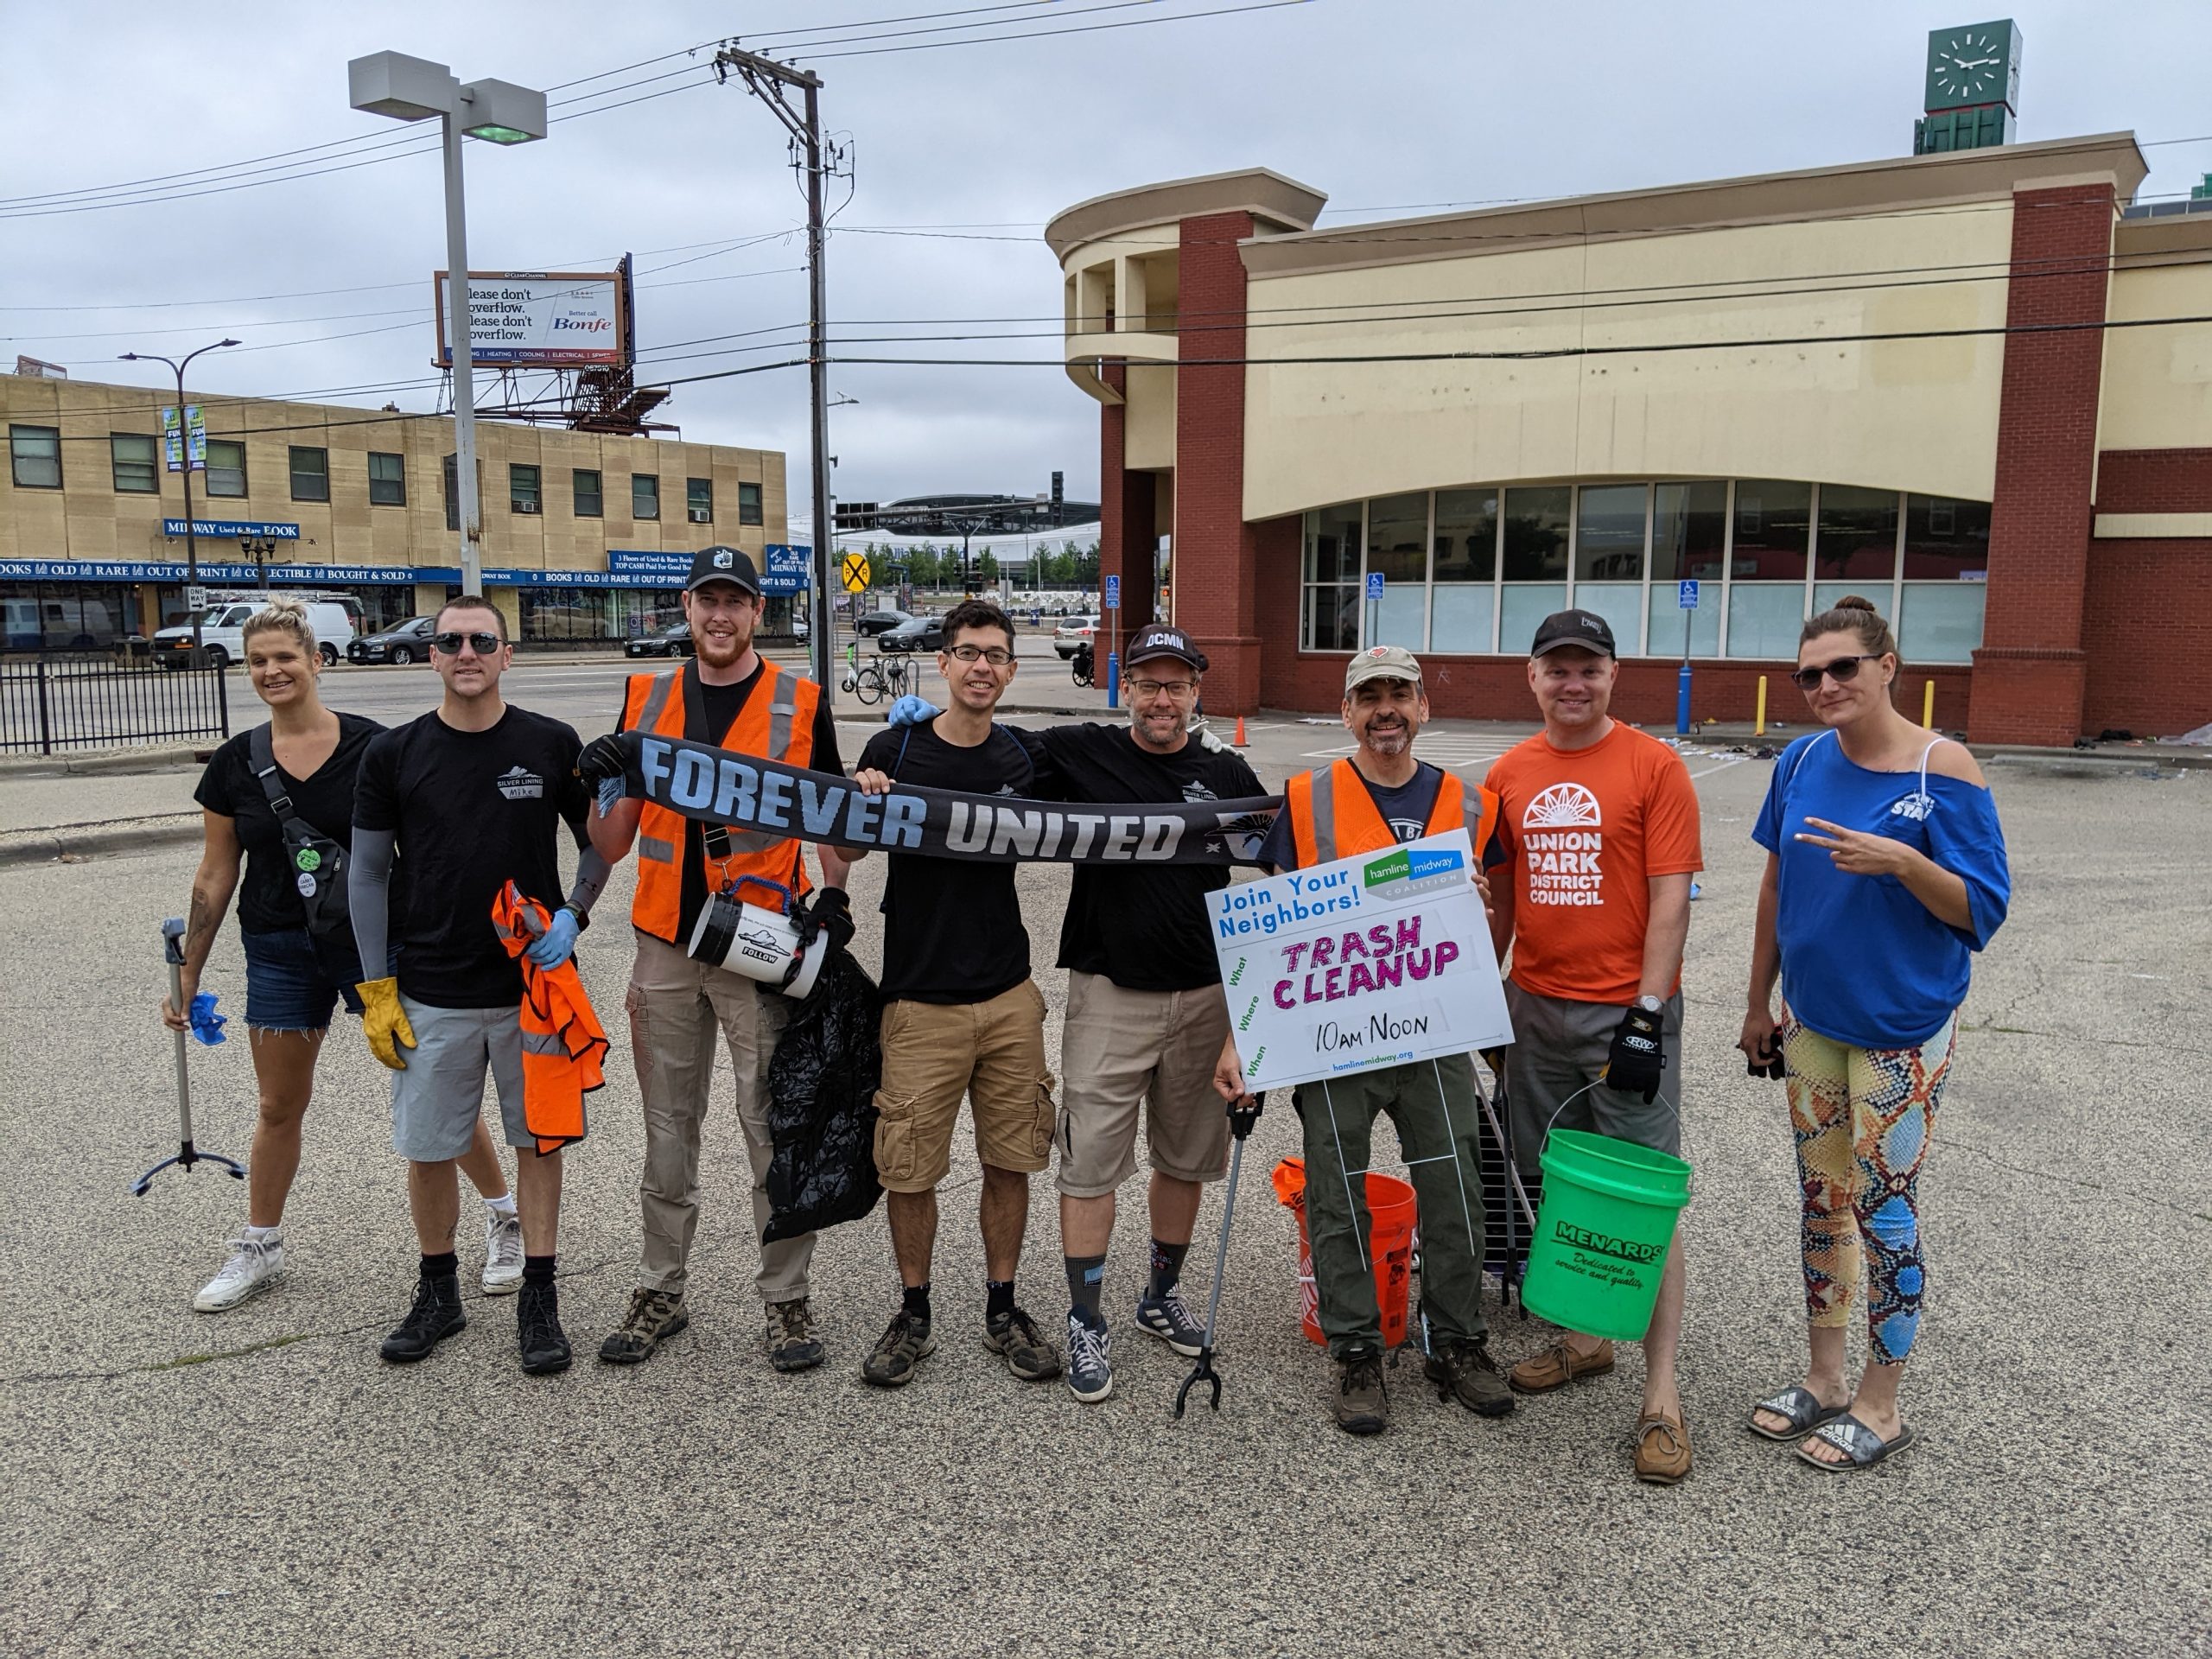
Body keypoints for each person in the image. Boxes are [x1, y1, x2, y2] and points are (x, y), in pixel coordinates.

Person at [164, 596, 516, 1312]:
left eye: (286, 658)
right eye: (259, 661)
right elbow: (214, 872)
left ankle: (503, 1213)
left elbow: (428, 851)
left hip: (375, 944)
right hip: (276, 948)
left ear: (317, 662)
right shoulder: (236, 763)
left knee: (435, 1090)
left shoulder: (375, 749)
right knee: (278, 1103)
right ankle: (260, 1242)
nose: (272, 671)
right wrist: (187, 975)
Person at [1214, 644, 1512, 1435]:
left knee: (1456, 1188)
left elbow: (1499, 909)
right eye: (1369, 694)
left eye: (1400, 693)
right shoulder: (1307, 798)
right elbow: (1270, 934)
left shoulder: (1471, 803)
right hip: (1336, 1040)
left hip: (1434, 1035)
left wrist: (1485, 976)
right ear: (1346, 712)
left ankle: (1457, 1342)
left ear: (1423, 708)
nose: (1386, 708)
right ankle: (1356, 1352)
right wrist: (1243, 1039)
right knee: (1336, 1188)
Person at [1741, 595, 2009, 1471]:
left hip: (1899, 1035)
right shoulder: (1801, 762)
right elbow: (1777, 890)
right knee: (1819, 1203)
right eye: (1808, 673)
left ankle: (1880, 1403)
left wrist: (1902, 861)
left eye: (1842, 667)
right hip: (1813, 1025)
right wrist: (1756, 1002)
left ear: (1888, 666)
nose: (1824, 685)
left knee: (1883, 1209)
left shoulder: (1944, 770)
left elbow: (1981, 911)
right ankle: (1823, 1377)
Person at [576, 546, 854, 1372]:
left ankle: (786, 1301)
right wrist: (596, 783)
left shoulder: (800, 702)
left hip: (758, 946)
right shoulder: (645, 695)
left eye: (736, 602)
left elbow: (836, 823)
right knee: (668, 1130)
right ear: (687, 609)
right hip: (665, 941)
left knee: (773, 1127)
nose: (721, 616)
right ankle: (662, 1289)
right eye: (708, 601)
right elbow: (613, 842)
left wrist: (835, 894)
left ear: (758, 613)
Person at [350, 598, 610, 1376]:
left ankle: (539, 1295)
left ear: (507, 655)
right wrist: (376, 986)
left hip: (533, 987)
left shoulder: (550, 743)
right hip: (431, 986)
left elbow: (597, 843)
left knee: (538, 1141)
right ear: (432, 656)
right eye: (451, 641)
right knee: (429, 1147)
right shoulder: (393, 754)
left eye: (481, 641)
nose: (467, 652)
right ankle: (439, 1291)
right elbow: (366, 872)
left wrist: (575, 912)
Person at [1485, 609, 1703, 1484]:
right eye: (1556, 670)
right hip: (1534, 1006)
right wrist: (1481, 998)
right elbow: (1498, 901)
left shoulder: (1654, 766)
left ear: (1613, 676)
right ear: (1532, 679)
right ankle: (1583, 1340)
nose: (1572, 684)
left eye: (1589, 669)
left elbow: (1670, 899)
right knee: (1556, 1177)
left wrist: (1647, 1013)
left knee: (1645, 1194)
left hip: (1626, 1013)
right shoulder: (1507, 774)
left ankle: (1661, 1394)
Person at [1028, 623, 1266, 1403]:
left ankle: (1159, 1296)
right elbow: (978, 768)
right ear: (1124, 687)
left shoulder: (1227, 773)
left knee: (1187, 1158)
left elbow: (1291, 869)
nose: (1162, 699)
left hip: (1205, 994)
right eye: (1148, 683)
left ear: (1198, 691)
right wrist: (892, 762)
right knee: (1090, 1160)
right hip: (1109, 990)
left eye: (1177, 684)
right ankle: (1086, 1316)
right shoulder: (1080, 753)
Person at [847, 598, 1063, 1389]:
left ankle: (1002, 1307)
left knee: (1012, 1162)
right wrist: (863, 793)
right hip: (920, 999)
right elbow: (840, 843)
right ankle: (915, 1312)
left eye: (996, 655)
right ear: (940, 663)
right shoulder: (894, 744)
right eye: (968, 652)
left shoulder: (1023, 755)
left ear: (1011, 669)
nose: (981, 666)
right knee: (911, 1169)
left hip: (1009, 994)